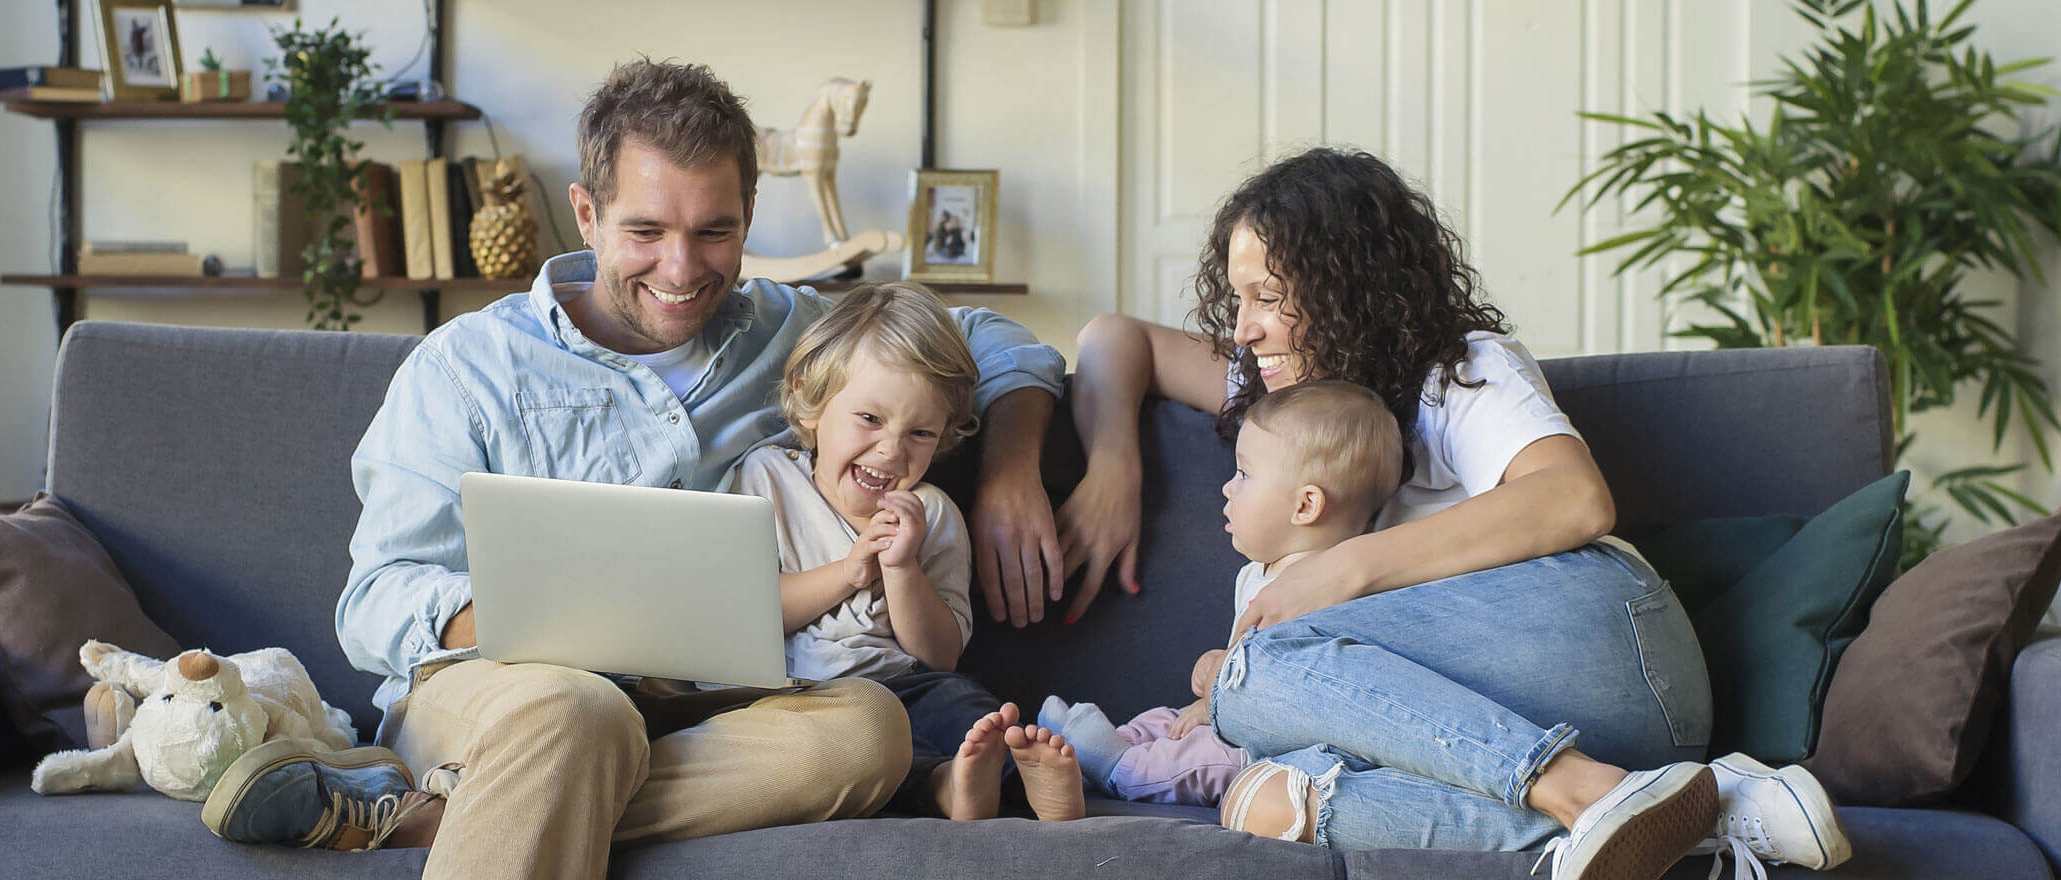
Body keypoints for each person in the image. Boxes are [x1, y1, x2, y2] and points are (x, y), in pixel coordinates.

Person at [195, 59, 1069, 880]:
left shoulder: (791, 332)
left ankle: (434, 814)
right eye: (645, 232)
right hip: (510, 698)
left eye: (714, 232)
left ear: (748, 217)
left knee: (868, 732)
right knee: (579, 711)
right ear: (585, 213)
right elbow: (373, 600)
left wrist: (1009, 471)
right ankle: (496, 776)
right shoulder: (467, 366)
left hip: (715, 709)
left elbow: (992, 343)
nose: (683, 272)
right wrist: (521, 615)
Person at [1058, 148, 1849, 880]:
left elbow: (1575, 499)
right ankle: (1700, 810)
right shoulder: (1289, 400)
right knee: (1263, 795)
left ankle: (1575, 788)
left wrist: (1337, 573)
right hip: (1569, 727)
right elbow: (1113, 339)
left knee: (1253, 671)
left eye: (1268, 297)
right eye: (1238, 299)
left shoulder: (1461, 371)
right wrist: (1111, 469)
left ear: (1347, 290)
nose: (1243, 329)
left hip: (1615, 649)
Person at [731, 280, 1086, 823]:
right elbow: (750, 611)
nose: (891, 451)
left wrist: (901, 570)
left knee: (967, 709)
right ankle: (944, 787)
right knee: (831, 747)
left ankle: (1014, 785)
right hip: (796, 692)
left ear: (945, 434)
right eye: (869, 419)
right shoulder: (766, 479)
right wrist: (849, 572)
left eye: (920, 432)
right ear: (809, 402)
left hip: (905, 683)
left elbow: (939, 653)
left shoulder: (933, 513)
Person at [1038, 380, 1402, 808]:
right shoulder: (1256, 574)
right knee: (1165, 720)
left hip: (1271, 748)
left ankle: (1119, 769)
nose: (1228, 487)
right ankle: (1102, 743)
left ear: (1305, 506)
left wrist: (1217, 692)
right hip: (1228, 716)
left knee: (1203, 758)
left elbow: (1286, 695)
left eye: (1244, 474)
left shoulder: (1327, 592)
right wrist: (1214, 680)